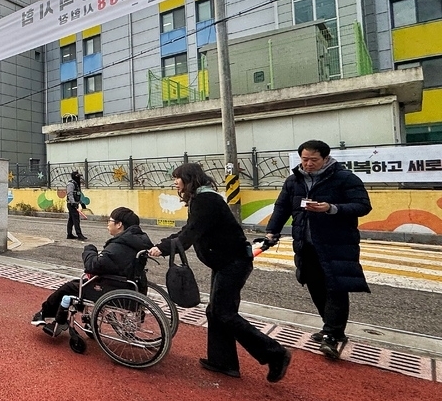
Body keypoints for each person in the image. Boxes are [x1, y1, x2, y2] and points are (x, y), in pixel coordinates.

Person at [148, 162, 291, 382]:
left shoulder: (206, 200)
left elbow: (190, 234)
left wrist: (163, 248)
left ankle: (275, 354)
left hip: (233, 263)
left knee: (224, 312)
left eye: (177, 178)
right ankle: (223, 361)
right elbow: (188, 230)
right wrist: (164, 244)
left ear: (189, 178)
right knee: (216, 311)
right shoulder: (202, 199)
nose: (175, 182)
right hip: (227, 263)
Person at [265, 140, 372, 360]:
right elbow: (282, 207)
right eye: (304, 159)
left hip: (337, 244)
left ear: (325, 158)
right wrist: (271, 232)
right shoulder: (294, 181)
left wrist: (331, 208)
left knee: (336, 287)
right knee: (314, 285)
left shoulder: (345, 178)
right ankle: (331, 328)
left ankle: (331, 335)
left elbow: (363, 205)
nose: (308, 164)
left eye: (313, 159)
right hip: (305, 244)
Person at [32, 207, 152, 334]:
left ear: (119, 224)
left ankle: (45, 313)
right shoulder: (138, 242)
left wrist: (90, 250)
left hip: (112, 289)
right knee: (79, 283)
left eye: (110, 220)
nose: (108, 223)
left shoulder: (119, 246)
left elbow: (92, 266)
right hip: (131, 287)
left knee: (70, 287)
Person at [65, 170, 87, 240]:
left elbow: (77, 195)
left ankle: (69, 234)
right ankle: (79, 235)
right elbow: (70, 194)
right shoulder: (71, 184)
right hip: (71, 204)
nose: (79, 179)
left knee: (71, 220)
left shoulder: (76, 184)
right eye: (78, 177)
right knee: (76, 219)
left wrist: (81, 203)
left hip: (75, 204)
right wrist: (73, 203)